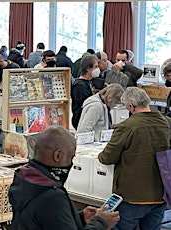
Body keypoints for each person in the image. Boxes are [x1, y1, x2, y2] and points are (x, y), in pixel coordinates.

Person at [9, 126, 120, 230]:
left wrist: (78, 217)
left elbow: (46, 220)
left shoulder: (24, 178)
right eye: (70, 158)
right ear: (58, 156)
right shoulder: (52, 196)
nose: (70, 163)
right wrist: (101, 223)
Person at [99, 87, 169, 230]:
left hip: (132, 195)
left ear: (131, 106)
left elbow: (107, 157)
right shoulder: (167, 123)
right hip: (161, 193)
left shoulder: (126, 127)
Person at [71, 55, 98, 129]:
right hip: (81, 121)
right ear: (88, 69)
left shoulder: (89, 82)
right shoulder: (80, 86)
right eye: (95, 67)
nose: (97, 69)